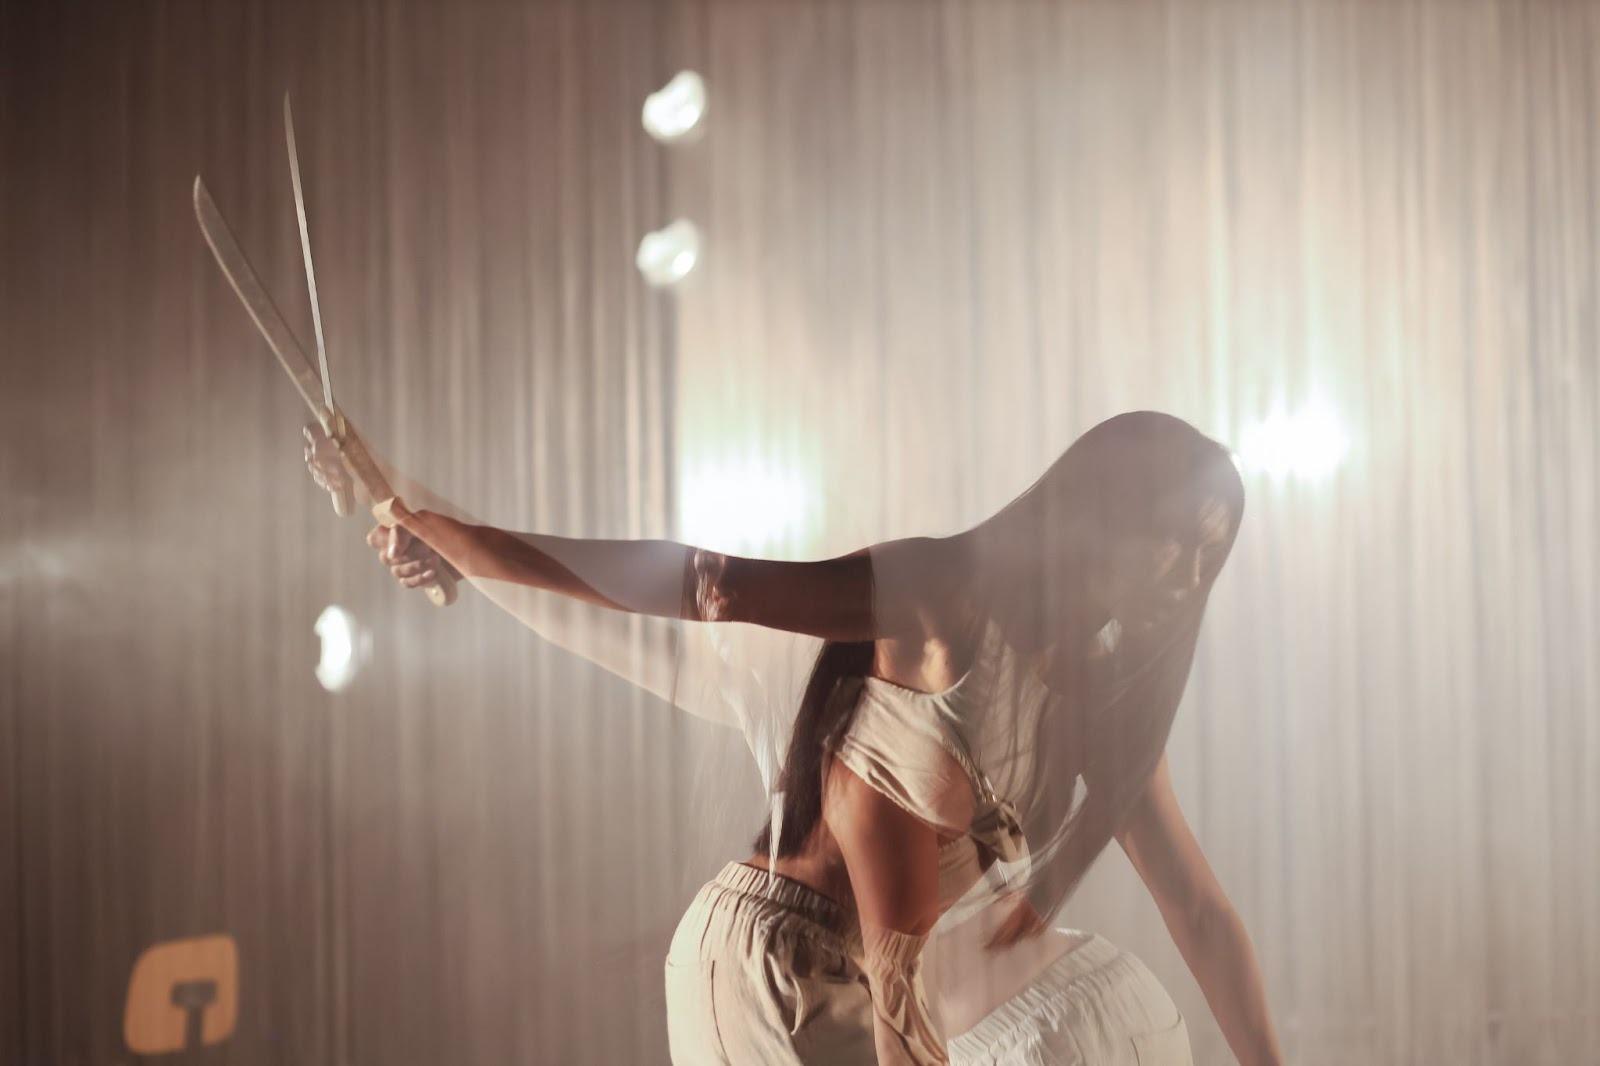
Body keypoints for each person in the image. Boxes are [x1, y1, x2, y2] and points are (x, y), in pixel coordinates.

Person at [306, 411, 1284, 1065]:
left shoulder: (1101, 707)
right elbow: (701, 592)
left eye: (1210, 554)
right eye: (1173, 535)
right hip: (775, 957)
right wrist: (453, 538)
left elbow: (1198, 910)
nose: (1185, 574)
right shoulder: (945, 597)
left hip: (859, 982)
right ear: (1104, 509)